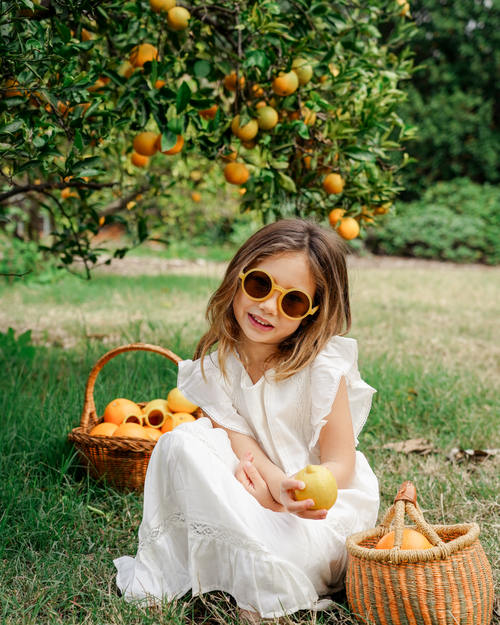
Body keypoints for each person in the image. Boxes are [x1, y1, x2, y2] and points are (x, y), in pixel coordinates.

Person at [114, 218, 379, 622]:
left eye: (292, 301)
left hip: (318, 517)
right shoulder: (218, 366)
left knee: (290, 545)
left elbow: (341, 463)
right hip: (253, 488)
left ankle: (267, 582)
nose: (269, 306)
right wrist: (270, 490)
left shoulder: (323, 368)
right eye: (260, 285)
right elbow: (240, 445)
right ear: (238, 277)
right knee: (181, 440)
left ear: (311, 313)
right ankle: (209, 568)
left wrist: (294, 496)